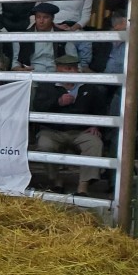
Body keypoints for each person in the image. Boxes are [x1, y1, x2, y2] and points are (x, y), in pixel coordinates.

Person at [31, 54, 106, 195]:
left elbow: (101, 109)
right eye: (66, 68)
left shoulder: (89, 87)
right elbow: (38, 106)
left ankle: (83, 187)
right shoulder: (47, 85)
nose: (71, 71)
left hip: (81, 131)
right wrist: (58, 102)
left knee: (94, 143)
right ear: (57, 69)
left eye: (73, 68)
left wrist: (96, 125)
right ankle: (56, 181)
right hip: (52, 131)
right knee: (45, 145)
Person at [13, 3, 91, 72]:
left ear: (52, 18)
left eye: (45, 17)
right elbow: (16, 63)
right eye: (38, 17)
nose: (41, 21)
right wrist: (20, 70)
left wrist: (75, 71)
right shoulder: (24, 36)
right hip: (32, 73)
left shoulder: (62, 36)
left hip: (57, 74)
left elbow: (73, 58)